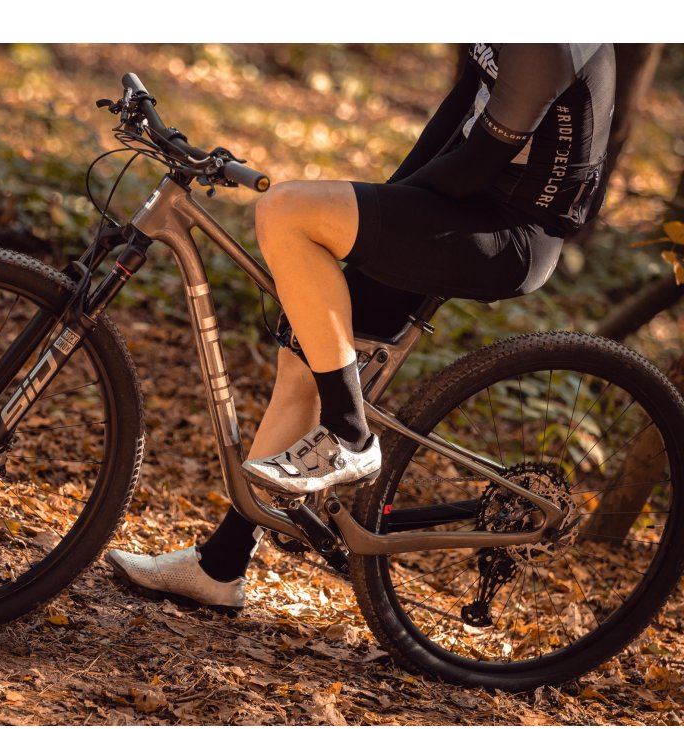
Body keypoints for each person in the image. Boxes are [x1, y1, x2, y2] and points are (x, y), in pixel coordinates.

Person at [107, 43, 616, 611]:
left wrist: (376, 216)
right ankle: (219, 567)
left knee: (285, 210)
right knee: (308, 357)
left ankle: (349, 435)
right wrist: (384, 208)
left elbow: (479, 158)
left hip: (509, 231)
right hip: (462, 205)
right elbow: (456, 115)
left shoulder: (552, 35)